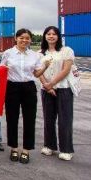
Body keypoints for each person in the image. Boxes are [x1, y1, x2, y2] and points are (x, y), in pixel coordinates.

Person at [0, 28, 50, 164]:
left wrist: (45, 67)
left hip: (29, 87)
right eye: (21, 37)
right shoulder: (8, 53)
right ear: (16, 38)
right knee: (12, 118)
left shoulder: (34, 55)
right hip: (12, 87)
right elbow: (1, 70)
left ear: (30, 40)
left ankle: (26, 150)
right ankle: (14, 148)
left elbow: (36, 74)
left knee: (29, 119)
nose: (24, 40)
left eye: (27, 38)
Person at [38, 26, 75, 161]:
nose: (51, 36)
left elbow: (66, 70)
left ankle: (66, 149)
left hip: (63, 88)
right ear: (45, 36)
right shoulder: (41, 53)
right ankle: (49, 146)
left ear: (58, 36)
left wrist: (52, 84)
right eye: (48, 34)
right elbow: (38, 72)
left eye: (54, 34)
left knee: (65, 119)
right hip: (46, 89)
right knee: (48, 119)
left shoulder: (66, 51)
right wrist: (47, 86)